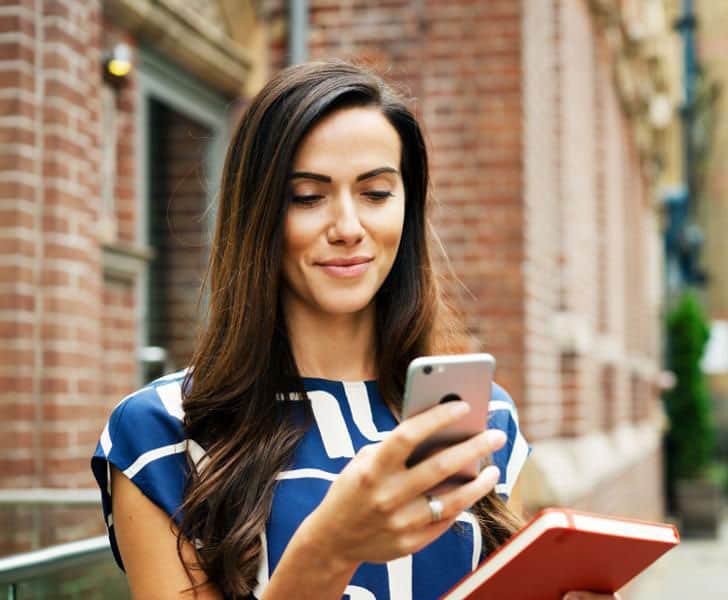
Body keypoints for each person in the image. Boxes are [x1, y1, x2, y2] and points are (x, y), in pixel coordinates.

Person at [91, 60, 620, 600]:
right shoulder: (160, 433)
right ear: (259, 215)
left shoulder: (475, 418)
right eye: (307, 197)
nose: (348, 228)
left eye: (375, 193)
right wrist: (329, 550)